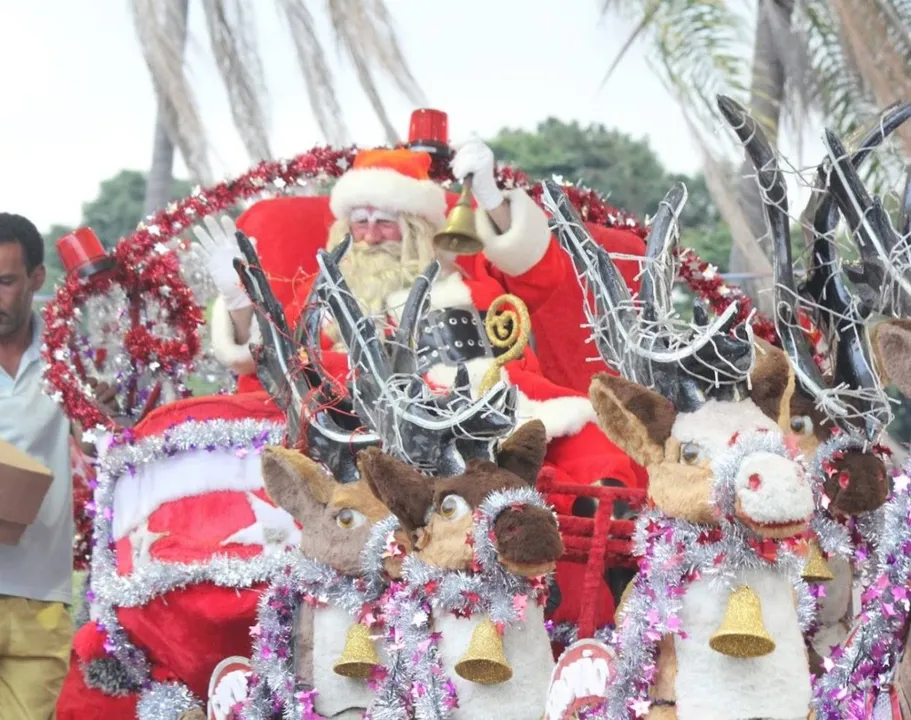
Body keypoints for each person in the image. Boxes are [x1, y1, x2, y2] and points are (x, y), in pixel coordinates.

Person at [199, 138, 643, 630]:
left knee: (587, 439)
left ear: (413, 226)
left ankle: (614, 565)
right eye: (359, 222)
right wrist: (238, 301)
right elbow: (271, 355)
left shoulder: (457, 263)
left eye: (382, 221)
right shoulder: (321, 291)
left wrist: (492, 201)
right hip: (363, 417)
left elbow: (539, 275)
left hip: (479, 395)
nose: (368, 236)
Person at [0, 213, 115, 720]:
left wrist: (106, 418)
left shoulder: (68, 356)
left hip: (41, 596)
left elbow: (101, 451)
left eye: (4, 281)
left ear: (37, 279)